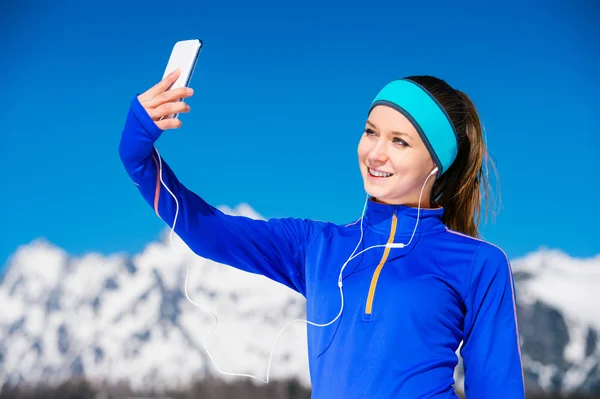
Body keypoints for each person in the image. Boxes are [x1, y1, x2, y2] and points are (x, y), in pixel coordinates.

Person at [119, 68, 525, 398]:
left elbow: (498, 389)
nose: (376, 152)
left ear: (436, 165)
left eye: (399, 141)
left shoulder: (479, 264)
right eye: (370, 132)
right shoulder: (317, 246)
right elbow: (207, 231)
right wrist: (136, 153)